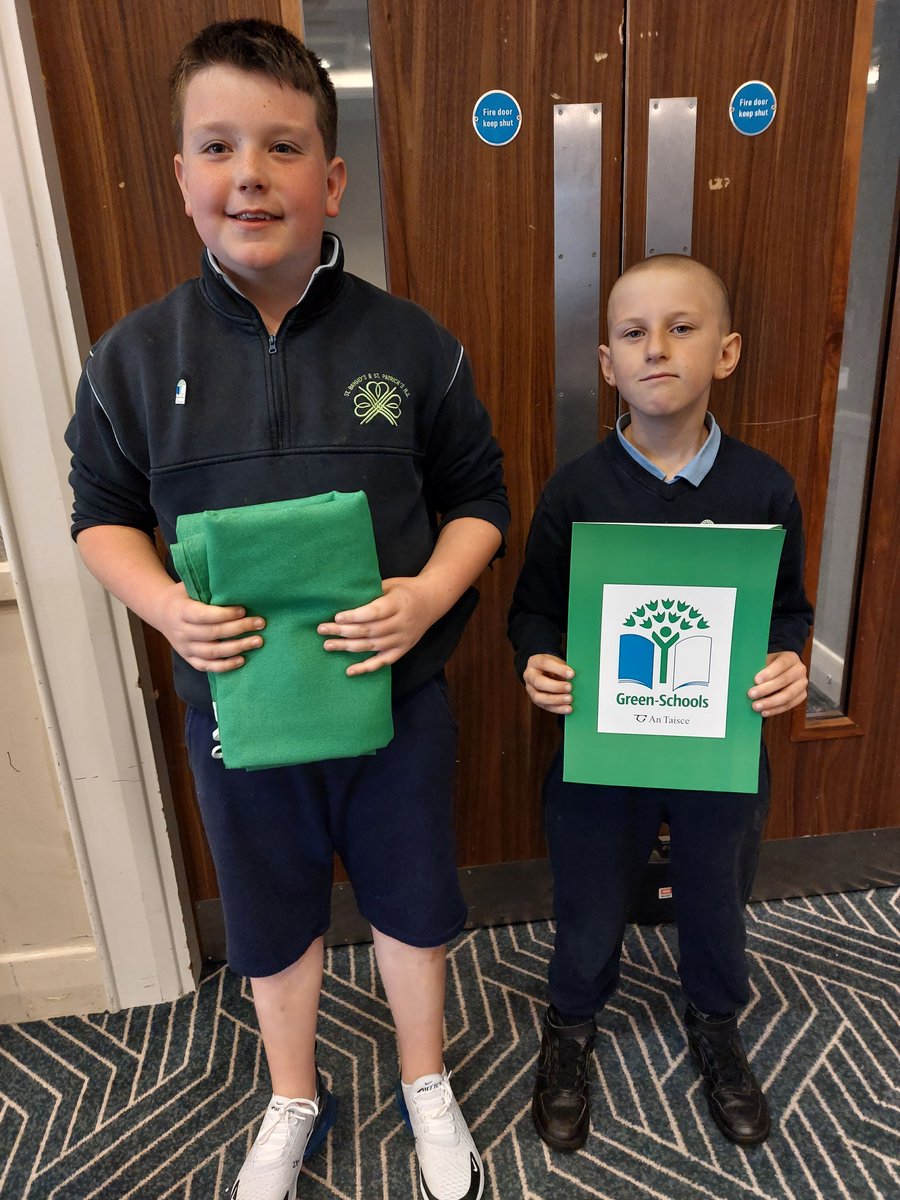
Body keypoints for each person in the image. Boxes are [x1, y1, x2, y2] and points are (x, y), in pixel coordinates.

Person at [65, 19, 507, 1200]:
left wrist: (426, 596)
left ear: (332, 177)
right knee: (271, 916)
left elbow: (481, 499)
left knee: (414, 905)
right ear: (181, 175)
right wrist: (164, 605)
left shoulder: (412, 344)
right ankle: (292, 1093)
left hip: (396, 700)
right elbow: (97, 515)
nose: (248, 173)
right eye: (217, 147)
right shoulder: (128, 359)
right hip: (237, 713)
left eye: (281, 145)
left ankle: (426, 1081)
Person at [508, 254, 812, 1151]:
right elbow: (534, 606)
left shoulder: (764, 489)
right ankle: (570, 1026)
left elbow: (786, 607)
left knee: (718, 893)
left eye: (682, 328)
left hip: (717, 747)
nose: (657, 349)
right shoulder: (576, 491)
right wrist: (538, 659)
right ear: (607, 363)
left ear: (726, 352)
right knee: (591, 892)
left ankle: (717, 1025)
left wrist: (788, 659)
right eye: (634, 333)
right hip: (602, 746)